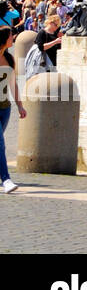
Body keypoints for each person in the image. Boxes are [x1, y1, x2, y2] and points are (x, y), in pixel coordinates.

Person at [0, 26, 27, 194]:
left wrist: (20, 105)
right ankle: (6, 180)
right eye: (11, 36)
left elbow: (13, 85)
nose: (13, 38)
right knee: (0, 144)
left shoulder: (9, 58)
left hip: (5, 109)